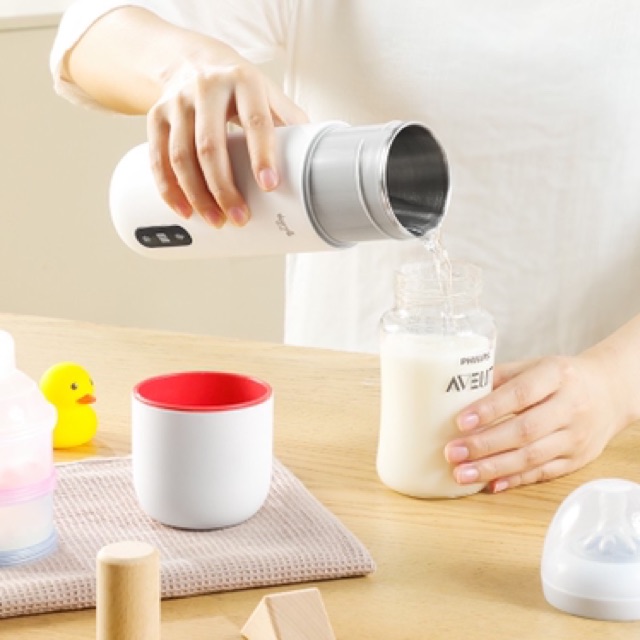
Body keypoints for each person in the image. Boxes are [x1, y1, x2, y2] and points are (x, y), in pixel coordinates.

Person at [50, 0, 640, 493]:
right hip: (338, 447)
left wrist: (614, 386)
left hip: (599, 457)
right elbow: (91, 29)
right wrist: (186, 67)